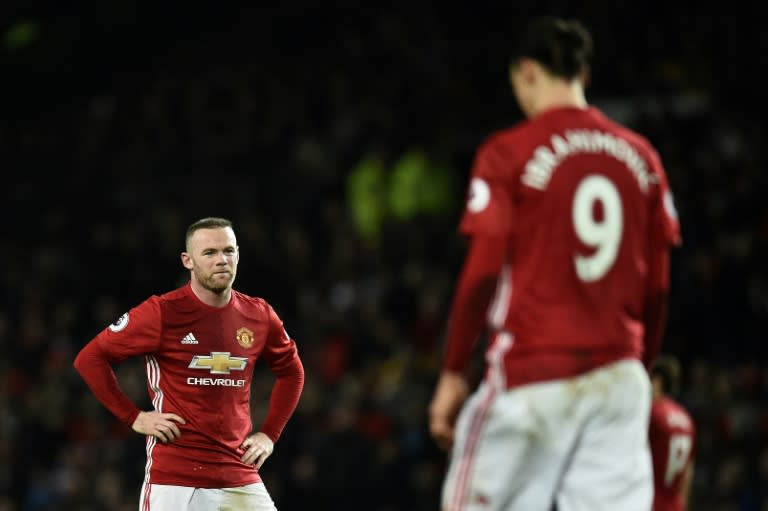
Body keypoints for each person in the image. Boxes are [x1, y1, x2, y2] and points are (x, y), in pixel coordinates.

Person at [427, 16, 681, 511]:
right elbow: (660, 290)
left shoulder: (508, 152)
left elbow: (482, 272)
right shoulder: (643, 158)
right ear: (583, 76)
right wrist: (639, 367)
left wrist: (454, 370)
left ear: (525, 72)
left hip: (531, 374)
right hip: (619, 380)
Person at [73, 217, 305, 511]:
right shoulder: (162, 312)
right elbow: (89, 359)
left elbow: (292, 372)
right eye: (209, 253)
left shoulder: (259, 314)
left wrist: (270, 434)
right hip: (176, 479)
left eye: (228, 251)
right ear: (188, 260)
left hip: (238, 471)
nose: (221, 260)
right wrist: (134, 417)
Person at [649, 355, 696, 511]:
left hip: (650, 501)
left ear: (658, 381)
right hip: (675, 505)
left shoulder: (653, 414)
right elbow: (688, 472)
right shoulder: (687, 419)